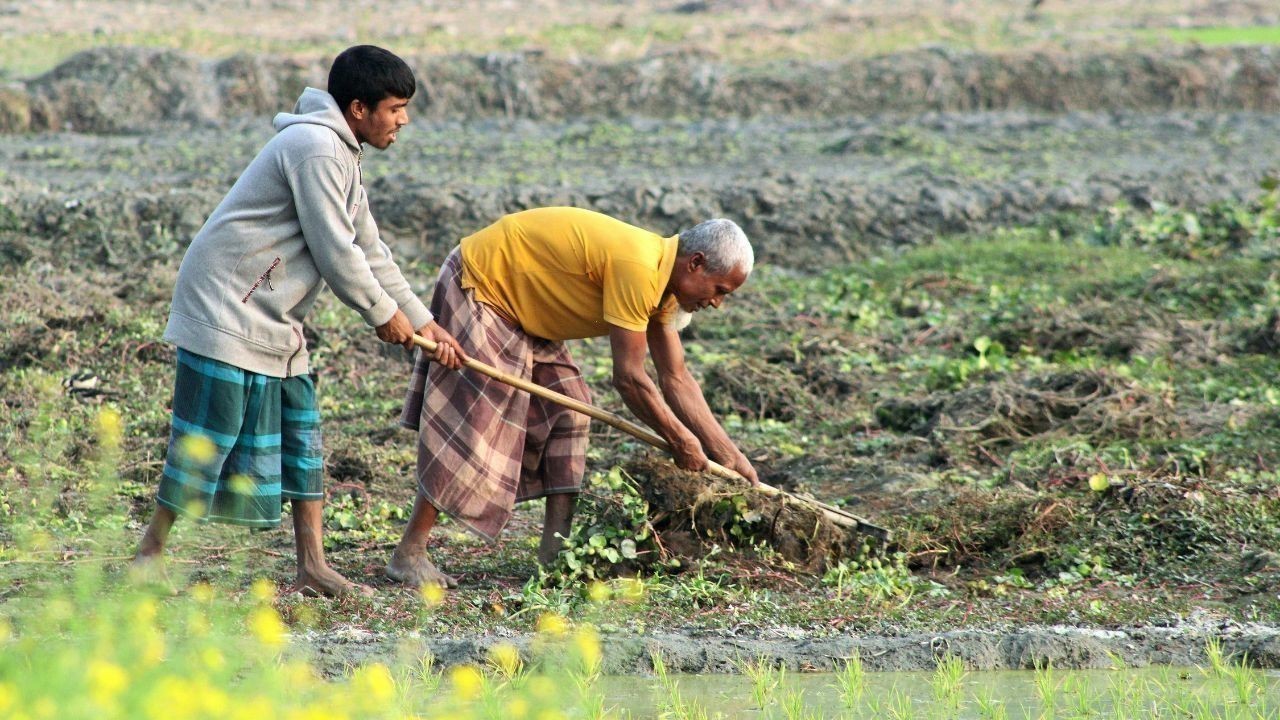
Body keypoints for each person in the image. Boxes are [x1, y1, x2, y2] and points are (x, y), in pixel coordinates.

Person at [132, 45, 466, 597]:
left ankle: (313, 566)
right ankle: (150, 554)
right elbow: (336, 251)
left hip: (274, 310)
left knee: (301, 433)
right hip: (228, 302)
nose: (403, 120)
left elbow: (370, 249)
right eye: (395, 108)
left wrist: (422, 321)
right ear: (358, 109)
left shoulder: (343, 153)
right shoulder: (315, 147)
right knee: (208, 435)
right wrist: (382, 316)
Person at [388, 206, 759, 588]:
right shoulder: (640, 267)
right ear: (695, 263)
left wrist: (729, 454)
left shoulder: (666, 288)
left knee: (569, 409)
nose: (717, 303)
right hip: (483, 284)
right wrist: (681, 441)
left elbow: (676, 378)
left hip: (526, 308)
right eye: (720, 291)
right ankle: (409, 553)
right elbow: (630, 379)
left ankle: (554, 556)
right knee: (479, 415)